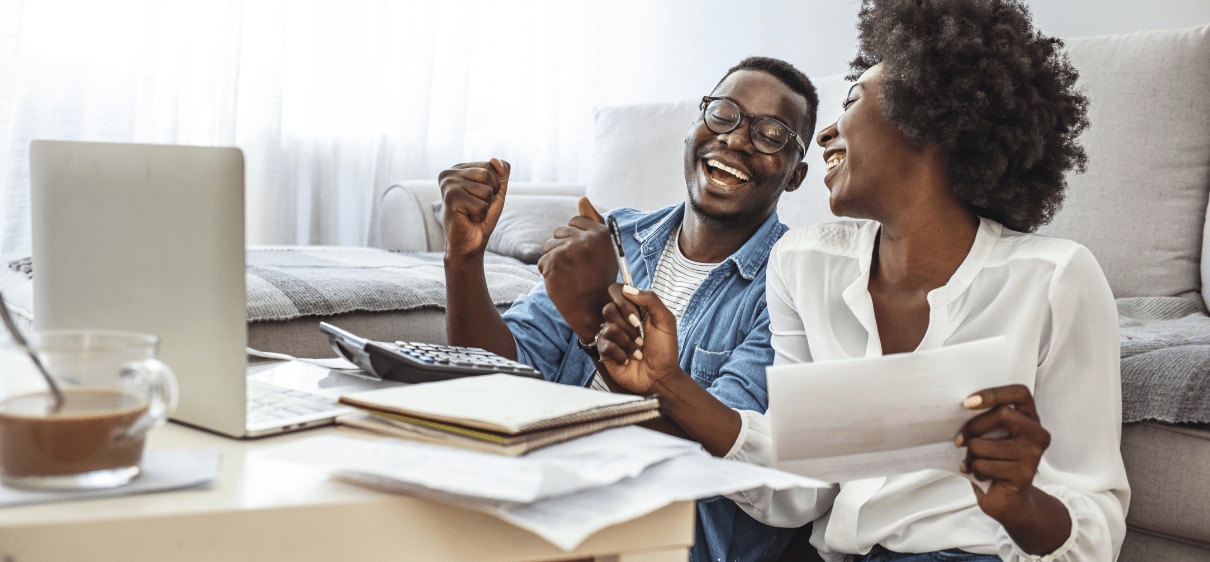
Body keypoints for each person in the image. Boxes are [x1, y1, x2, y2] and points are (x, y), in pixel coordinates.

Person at [593, 1, 1130, 560]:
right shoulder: (803, 265)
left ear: (925, 119)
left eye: (851, 100)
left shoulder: (1055, 279)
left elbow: (1094, 525)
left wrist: (1021, 507)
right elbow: (801, 486)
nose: (825, 132)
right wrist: (668, 383)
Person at [438, 57, 820, 561]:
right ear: (694, 125)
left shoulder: (792, 281)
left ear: (796, 176)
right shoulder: (619, 235)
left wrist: (592, 321)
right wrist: (464, 259)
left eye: (772, 134)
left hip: (660, 538)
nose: (737, 139)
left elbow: (725, 449)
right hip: (542, 496)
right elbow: (495, 374)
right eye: (724, 113)